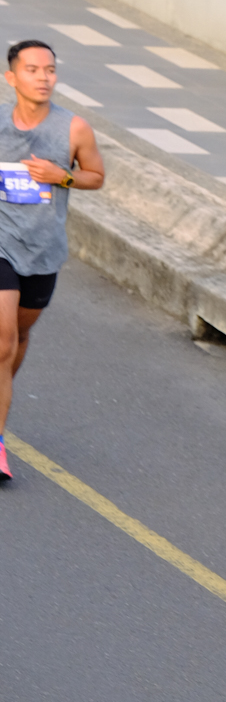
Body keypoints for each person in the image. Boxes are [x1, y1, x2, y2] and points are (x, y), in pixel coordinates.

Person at [0, 38, 104, 484]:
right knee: (3, 340)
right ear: (12, 77)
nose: (43, 78)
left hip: (43, 250)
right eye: (33, 70)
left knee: (18, 339)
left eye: (50, 70)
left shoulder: (73, 129)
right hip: (1, 245)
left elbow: (95, 176)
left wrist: (62, 176)